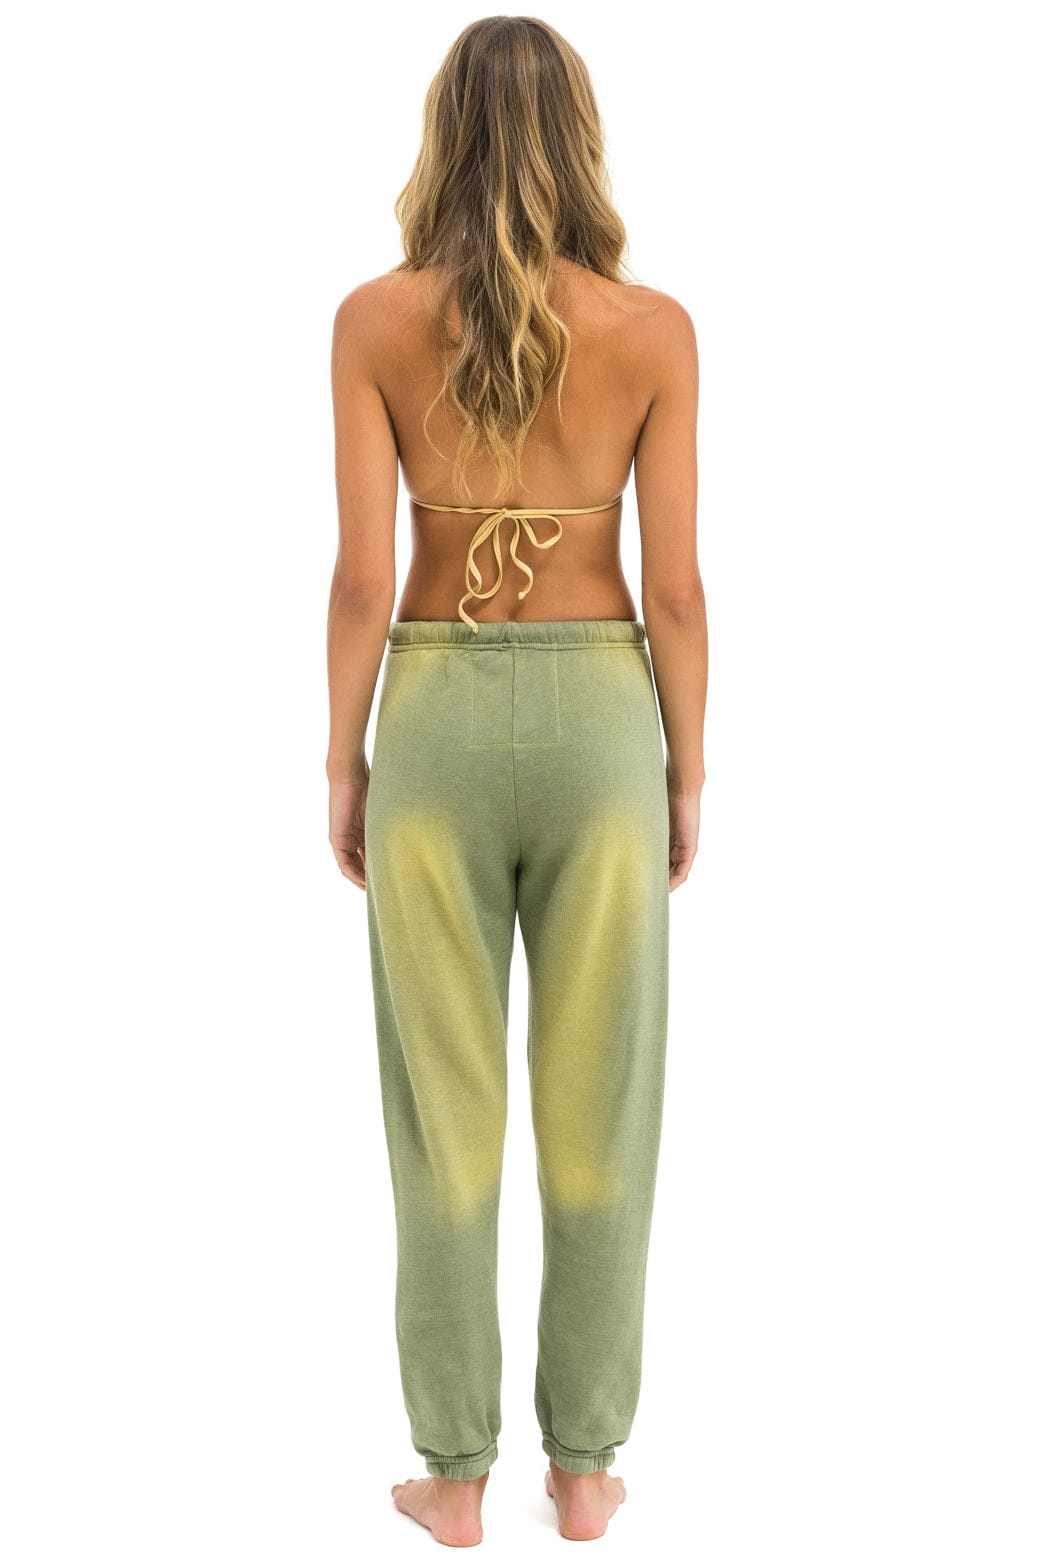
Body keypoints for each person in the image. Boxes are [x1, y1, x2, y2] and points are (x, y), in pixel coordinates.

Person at [325, 16, 706, 1546]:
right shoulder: (654, 330)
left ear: (444, 137)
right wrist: (686, 771)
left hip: (431, 722)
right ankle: (590, 1469)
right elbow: (674, 590)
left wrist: (343, 759)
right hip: (604, 723)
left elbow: (366, 580)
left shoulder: (371, 321)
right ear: (579, 139)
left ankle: (454, 1474)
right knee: (603, 1101)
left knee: (446, 1115)